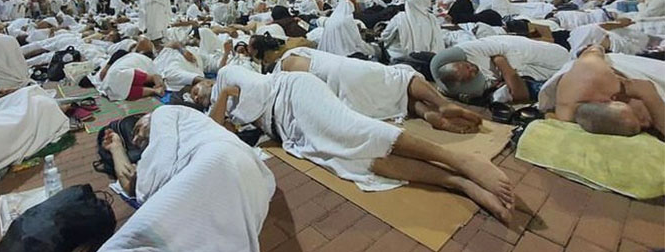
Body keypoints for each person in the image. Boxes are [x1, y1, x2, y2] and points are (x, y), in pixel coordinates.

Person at [197, 65, 514, 223]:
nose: (197, 92)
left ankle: (460, 160)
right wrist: (219, 100)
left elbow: (253, 96)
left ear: (206, 78)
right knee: (354, 160)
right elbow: (220, 135)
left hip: (292, 96)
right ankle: (457, 182)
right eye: (195, 96)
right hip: (291, 130)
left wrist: (222, 94)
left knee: (355, 130)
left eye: (198, 86)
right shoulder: (220, 99)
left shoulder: (226, 74)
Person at [99, 106, 275, 252]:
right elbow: (135, 183)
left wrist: (142, 178)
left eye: (136, 130)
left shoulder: (164, 113)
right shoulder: (187, 135)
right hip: (255, 185)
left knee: (128, 243)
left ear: (147, 116)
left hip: (219, 161)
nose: (137, 139)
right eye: (135, 142)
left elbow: (146, 187)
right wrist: (116, 148)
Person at [278, 47, 483, 132]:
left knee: (396, 96)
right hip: (348, 67)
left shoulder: (283, 75)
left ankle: (427, 112)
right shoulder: (293, 54)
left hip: (340, 88)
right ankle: (443, 104)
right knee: (401, 77)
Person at [538, 47, 664, 138]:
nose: (646, 123)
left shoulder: (591, 72)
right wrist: (652, 98)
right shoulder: (566, 116)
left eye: (639, 118)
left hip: (615, 64)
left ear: (612, 99)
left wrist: (648, 93)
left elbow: (595, 49)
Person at [430, 35, 570, 103]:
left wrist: (504, 65)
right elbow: (518, 93)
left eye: (468, 66)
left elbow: (502, 49)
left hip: (523, 51)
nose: (473, 69)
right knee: (560, 79)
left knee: (563, 62)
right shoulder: (473, 89)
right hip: (524, 71)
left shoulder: (469, 50)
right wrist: (502, 64)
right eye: (470, 75)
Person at [380, 0, 444, 61]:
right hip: (428, 57)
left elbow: (386, 36)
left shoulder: (400, 18)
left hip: (402, 56)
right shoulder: (432, 18)